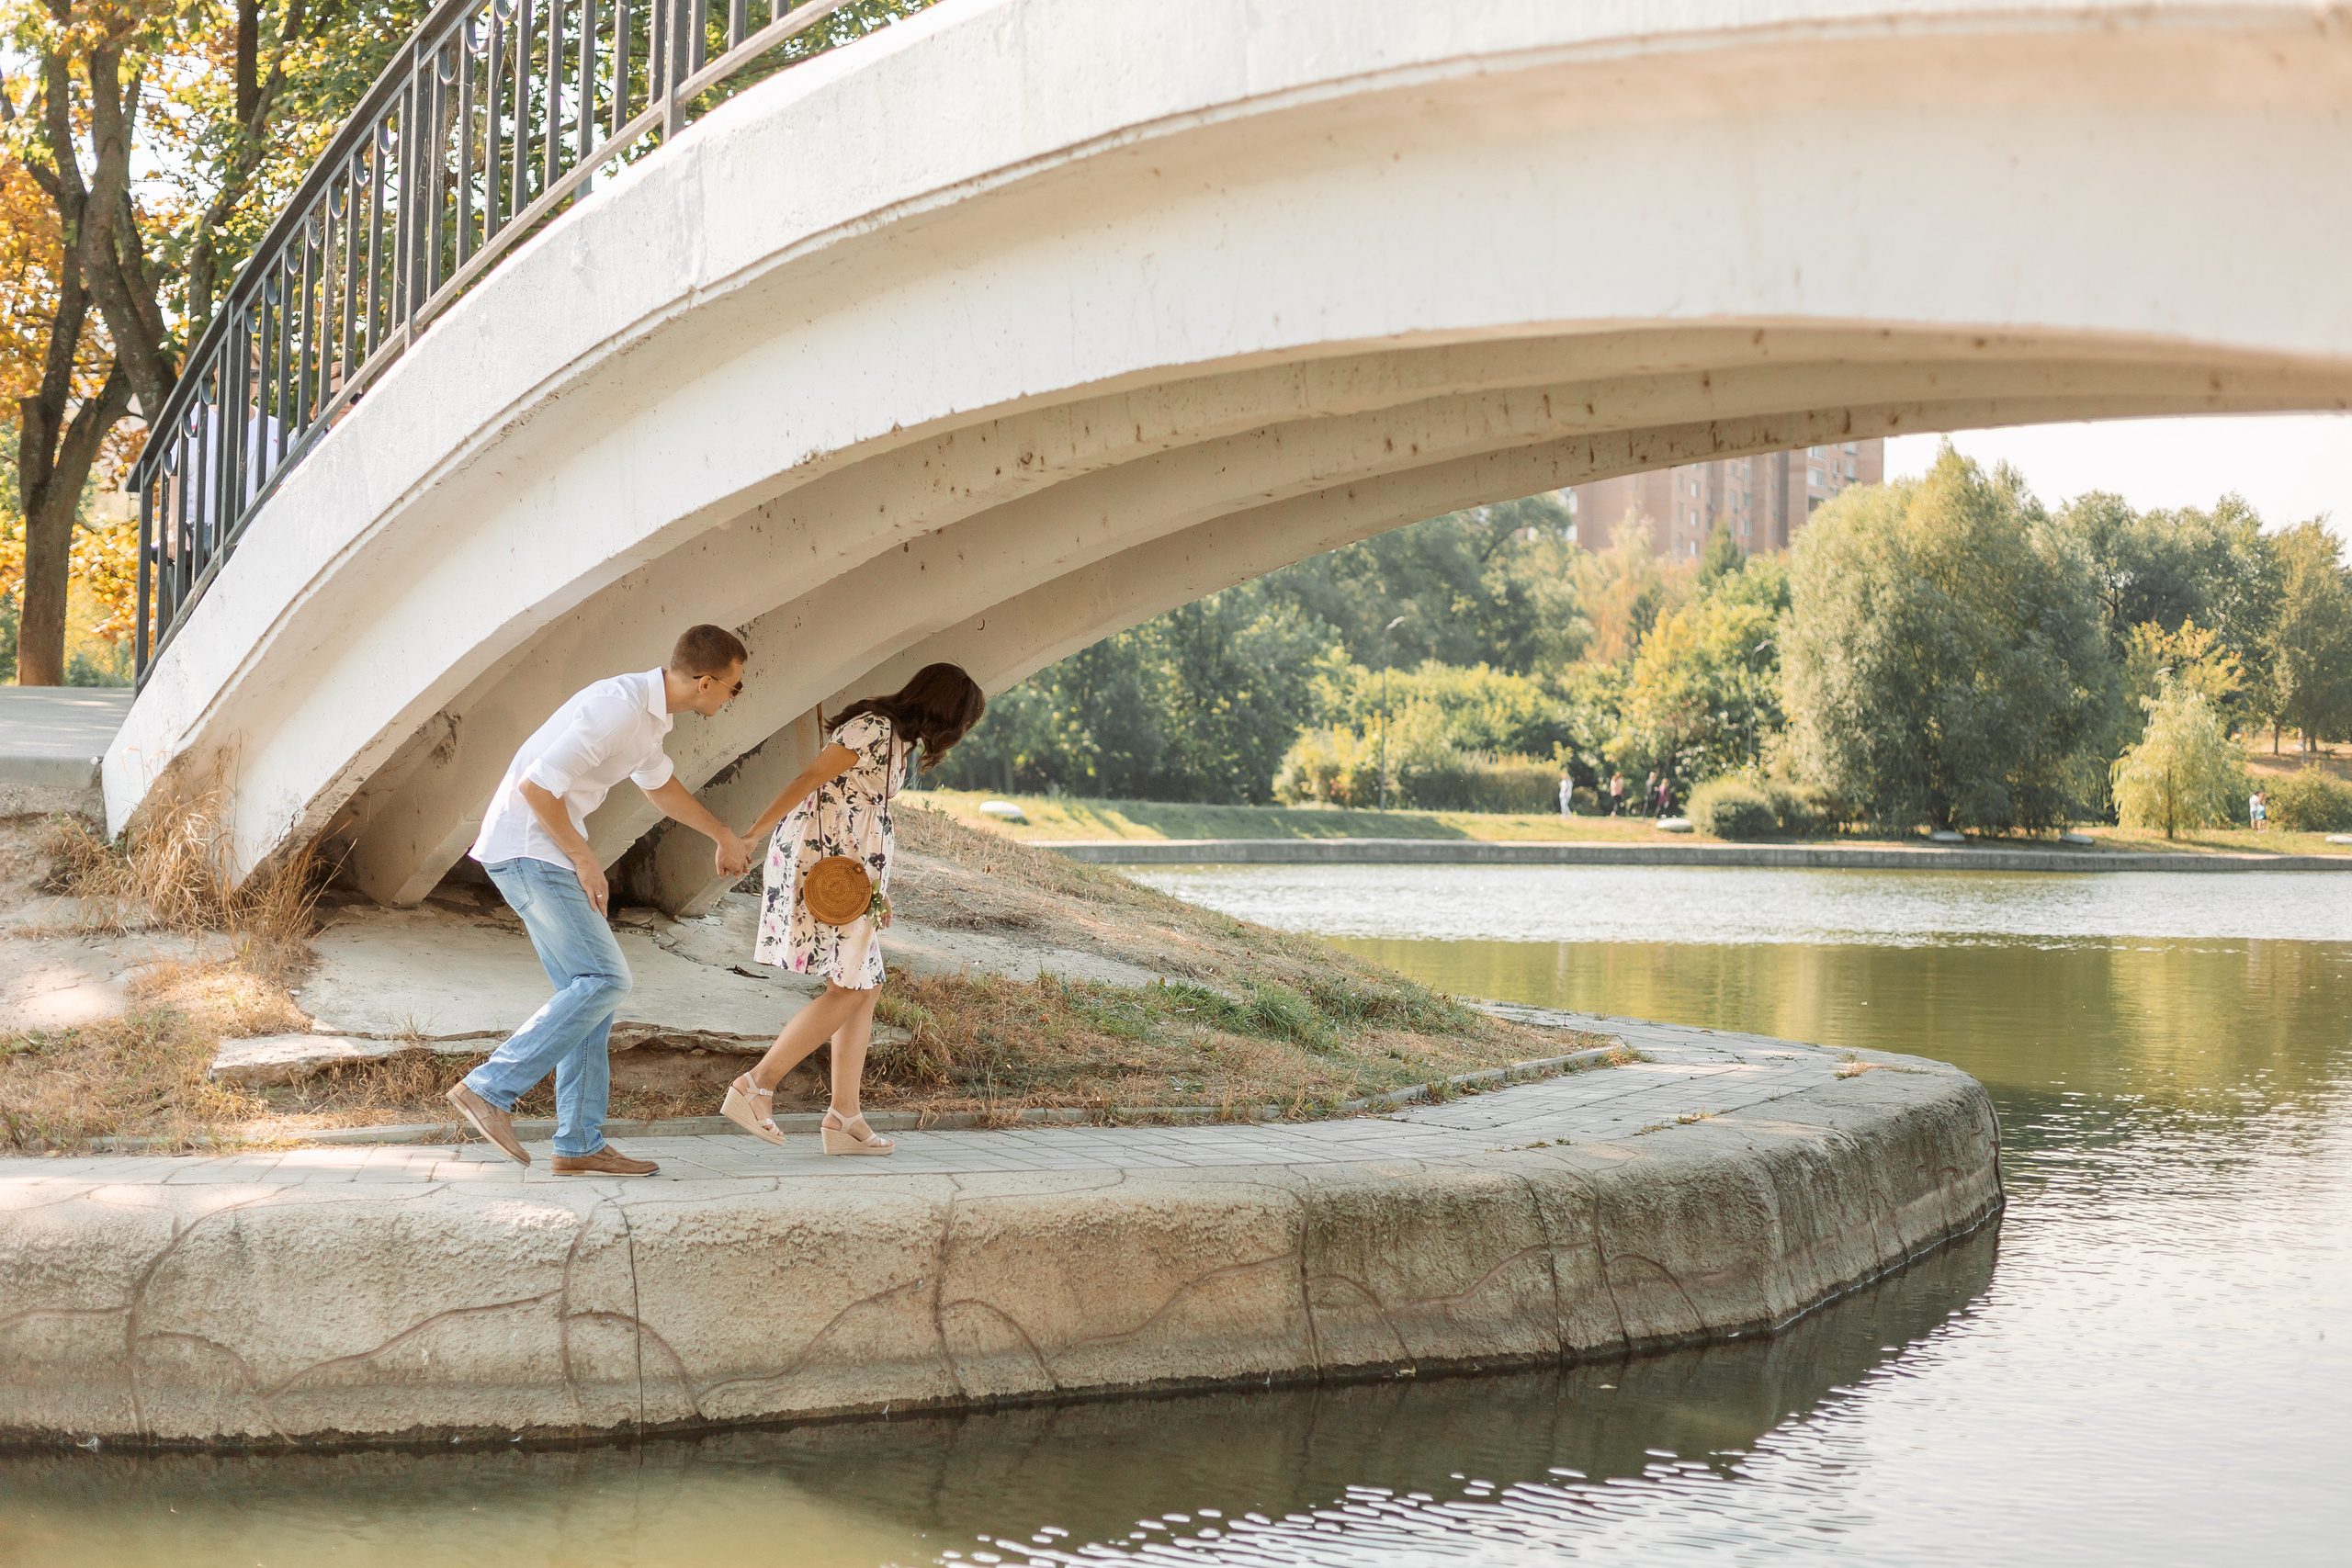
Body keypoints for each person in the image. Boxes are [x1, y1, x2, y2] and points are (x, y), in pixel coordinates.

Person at [445, 626, 758, 1175]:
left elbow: (661, 786)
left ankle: (579, 1144)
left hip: (540, 851)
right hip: (528, 851)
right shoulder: (617, 708)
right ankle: (489, 1088)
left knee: (588, 996)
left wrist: (722, 835)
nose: (735, 696)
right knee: (607, 980)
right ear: (705, 682)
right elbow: (536, 788)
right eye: (734, 687)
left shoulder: (647, 716)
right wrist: (586, 858)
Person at [719, 663, 987, 1155]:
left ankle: (844, 1118)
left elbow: (865, 817)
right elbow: (809, 779)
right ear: (943, 710)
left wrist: (877, 892)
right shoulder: (874, 727)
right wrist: (750, 836)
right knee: (850, 986)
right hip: (821, 867)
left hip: (849, 876)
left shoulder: (898, 739)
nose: (959, 734)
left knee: (864, 986)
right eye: (962, 723)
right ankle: (755, 1087)